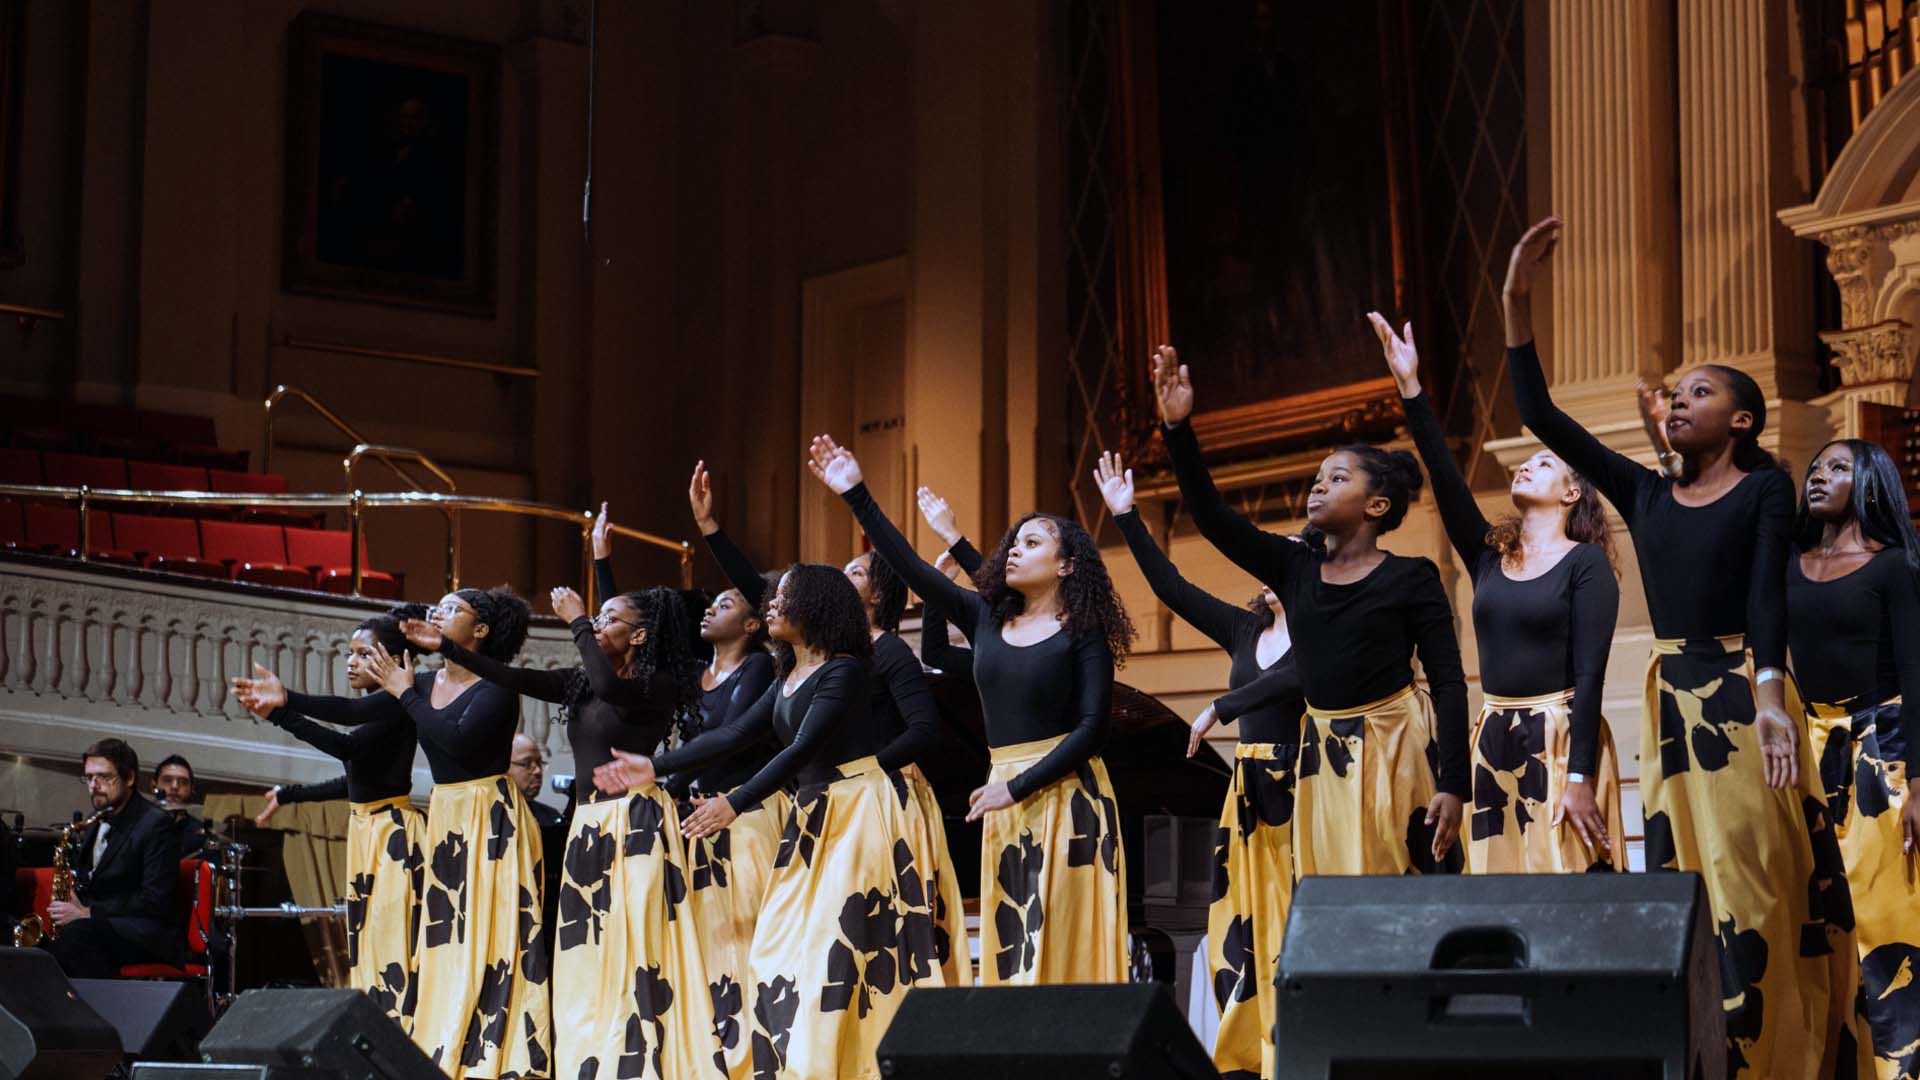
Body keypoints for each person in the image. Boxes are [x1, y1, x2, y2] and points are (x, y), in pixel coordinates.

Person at [1503, 214, 1865, 1077]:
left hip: (1743, 696)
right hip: (1672, 697)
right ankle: (1707, 1057)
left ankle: (1778, 1057)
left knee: (1753, 886)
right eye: (1675, 394)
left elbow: (1764, 603)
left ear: (1740, 420)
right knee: (1684, 887)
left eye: (1698, 392)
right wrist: (1517, 298)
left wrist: (1773, 701)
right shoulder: (1644, 493)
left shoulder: (1766, 492)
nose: (1678, 401)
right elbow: (1537, 411)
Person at [1640, 413, 1920, 1076]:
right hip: (1801, 747)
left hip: (1882, 753)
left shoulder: (1895, 568)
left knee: (1883, 919)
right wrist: (1670, 451)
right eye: (1815, 468)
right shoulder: (1785, 563)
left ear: (1872, 483)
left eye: (1838, 468)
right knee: (1817, 920)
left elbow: (1917, 673)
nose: (1820, 477)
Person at [808, 434, 1134, 985]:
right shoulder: (984, 618)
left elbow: (1093, 729)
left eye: (1031, 543)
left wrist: (1019, 785)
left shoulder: (1083, 631)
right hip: (1004, 792)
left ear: (1066, 567)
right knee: (1014, 955)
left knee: (1067, 953)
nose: (1014, 549)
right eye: (1013, 542)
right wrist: (856, 495)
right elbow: (911, 567)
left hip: (1067, 798)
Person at [596, 564, 943, 1079]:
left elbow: (804, 747)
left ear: (817, 604)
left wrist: (734, 801)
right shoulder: (788, 675)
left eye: (784, 596)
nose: (773, 605)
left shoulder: (846, 669)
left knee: (838, 948)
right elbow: (734, 732)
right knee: (779, 945)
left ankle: (849, 1065)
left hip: (855, 808)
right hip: (813, 809)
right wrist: (655, 765)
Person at [1152, 347, 1469, 877]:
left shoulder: (1410, 578)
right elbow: (1211, 517)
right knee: (1331, 906)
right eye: (1319, 477)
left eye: (1338, 478)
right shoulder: (1294, 566)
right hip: (1322, 759)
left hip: (1395, 753)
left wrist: (1455, 782)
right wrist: (1178, 429)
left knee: (1404, 906)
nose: (1319, 484)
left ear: (1376, 506)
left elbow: (1450, 682)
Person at [395, 582, 712, 1080]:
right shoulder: (582, 683)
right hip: (588, 825)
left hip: (636, 822)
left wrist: (579, 620)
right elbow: (511, 675)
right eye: (598, 620)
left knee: (635, 948)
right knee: (588, 953)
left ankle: (637, 1060)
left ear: (639, 636)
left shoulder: (657, 686)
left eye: (611, 620)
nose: (599, 626)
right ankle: (594, 1059)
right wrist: (448, 649)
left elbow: (612, 688)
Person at [241, 586, 550, 1078]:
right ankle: (439, 1039)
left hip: (488, 817)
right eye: (439, 605)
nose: (438, 612)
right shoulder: (423, 683)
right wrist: (285, 701)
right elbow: (354, 715)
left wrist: (403, 691)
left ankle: (487, 1048)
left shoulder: (496, 686)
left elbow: (455, 738)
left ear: (481, 630)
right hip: (449, 816)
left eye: (452, 609)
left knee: (488, 939)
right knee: (445, 943)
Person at [685, 462, 968, 986]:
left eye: (856, 572)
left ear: (877, 594)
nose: (841, 576)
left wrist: (864, 773)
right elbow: (759, 589)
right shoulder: (816, 655)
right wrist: (711, 530)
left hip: (878, 798)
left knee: (871, 934)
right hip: (827, 798)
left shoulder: (889, 653)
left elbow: (925, 731)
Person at [1367, 313, 1627, 873]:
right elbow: (1445, 477)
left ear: (1572, 492)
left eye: (1544, 463)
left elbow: (1590, 678)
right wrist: (1410, 388)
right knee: (1498, 890)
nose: (1527, 466)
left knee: (1567, 889)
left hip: (1559, 742)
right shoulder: (1489, 558)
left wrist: (1579, 777)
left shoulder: (1586, 566)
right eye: (1525, 461)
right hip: (1495, 738)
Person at [1092, 450, 1302, 1080]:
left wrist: (1227, 703)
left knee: (1299, 916)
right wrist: (1128, 517)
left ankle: (1303, 1041)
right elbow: (1172, 590)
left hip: (1307, 781)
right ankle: (1248, 1054)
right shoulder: (1244, 630)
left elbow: (1302, 676)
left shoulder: (1326, 631)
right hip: (1248, 789)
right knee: (1246, 921)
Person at [592, 501, 783, 1029]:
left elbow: (731, 738)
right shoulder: (694, 673)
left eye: (724, 604)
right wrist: (602, 563)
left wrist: (656, 768)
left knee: (745, 936)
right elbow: (623, 627)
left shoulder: (763, 667)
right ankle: (714, 1041)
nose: (709, 609)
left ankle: (758, 1041)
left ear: (751, 622)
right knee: (705, 940)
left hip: (746, 816)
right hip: (697, 822)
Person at [239, 607, 426, 1027]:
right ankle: (382, 1029)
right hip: (370, 827)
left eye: (363, 654)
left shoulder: (396, 703)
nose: (351, 662)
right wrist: (290, 794)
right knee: (370, 940)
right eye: (350, 653)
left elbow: (348, 747)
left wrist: (283, 709)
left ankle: (400, 1034)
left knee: (392, 942)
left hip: (391, 834)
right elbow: (356, 779)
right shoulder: (382, 708)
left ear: (394, 661)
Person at [43, 738, 182, 978]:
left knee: (76, 937)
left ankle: (99, 1013)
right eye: (89, 778)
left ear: (129, 778)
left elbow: (155, 900)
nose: (94, 785)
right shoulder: (94, 820)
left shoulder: (155, 824)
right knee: (39, 947)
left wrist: (89, 912)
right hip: (100, 928)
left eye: (104, 777)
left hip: (142, 933)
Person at [152, 754, 210, 859]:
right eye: (167, 780)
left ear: (192, 789)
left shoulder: (203, 835)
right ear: (154, 785)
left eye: (183, 782)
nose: (175, 786)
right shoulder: (135, 823)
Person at [508, 734, 563, 830]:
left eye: (539, 762)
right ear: (505, 768)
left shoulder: (551, 818)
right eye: (527, 764)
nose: (538, 771)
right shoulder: (489, 817)